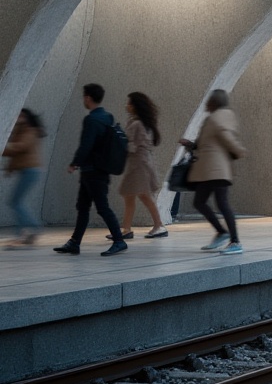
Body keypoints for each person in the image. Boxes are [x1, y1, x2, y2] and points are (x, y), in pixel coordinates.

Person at [54, 84, 127, 257]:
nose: (83, 100)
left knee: (101, 207)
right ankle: (74, 242)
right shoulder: (107, 117)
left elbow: (86, 145)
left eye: (83, 97)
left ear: (88, 98)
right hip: (99, 170)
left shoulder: (91, 119)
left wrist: (74, 163)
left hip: (92, 170)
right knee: (83, 206)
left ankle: (119, 240)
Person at [180, 89, 247, 254]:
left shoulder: (216, 118)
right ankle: (222, 233)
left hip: (216, 170)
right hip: (211, 170)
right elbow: (207, 141)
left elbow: (227, 138)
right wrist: (191, 144)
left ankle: (235, 241)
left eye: (209, 100)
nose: (206, 103)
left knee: (221, 204)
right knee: (200, 202)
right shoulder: (219, 117)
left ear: (214, 102)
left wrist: (239, 151)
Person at [114, 92, 167, 239]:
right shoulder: (139, 122)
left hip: (139, 165)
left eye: (129, 103)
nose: (127, 106)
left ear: (135, 106)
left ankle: (157, 226)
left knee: (140, 195)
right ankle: (127, 229)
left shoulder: (137, 124)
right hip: (138, 164)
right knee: (132, 195)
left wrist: (121, 142)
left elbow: (137, 145)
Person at [4, 108, 45, 247]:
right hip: (27, 171)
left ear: (27, 117)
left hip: (31, 171)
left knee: (15, 202)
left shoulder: (30, 130)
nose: (18, 117)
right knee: (16, 202)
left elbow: (20, 147)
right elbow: (13, 150)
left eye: (21, 115)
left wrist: (3, 148)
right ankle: (28, 233)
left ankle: (30, 228)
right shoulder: (21, 129)